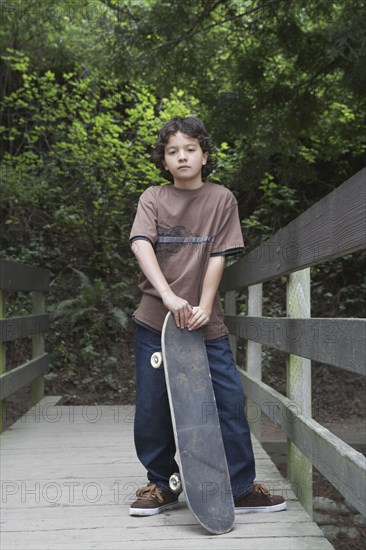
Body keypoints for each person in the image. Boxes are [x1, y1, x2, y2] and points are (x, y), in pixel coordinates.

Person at [129, 116, 286, 516]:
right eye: (172, 151)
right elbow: (141, 245)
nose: (182, 157)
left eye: (190, 149)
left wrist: (201, 305)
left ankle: (241, 487)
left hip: (205, 321)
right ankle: (162, 484)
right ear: (164, 160)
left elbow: (217, 257)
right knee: (153, 404)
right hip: (154, 320)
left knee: (228, 401)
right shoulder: (153, 197)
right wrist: (167, 297)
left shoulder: (221, 199)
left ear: (204, 154)